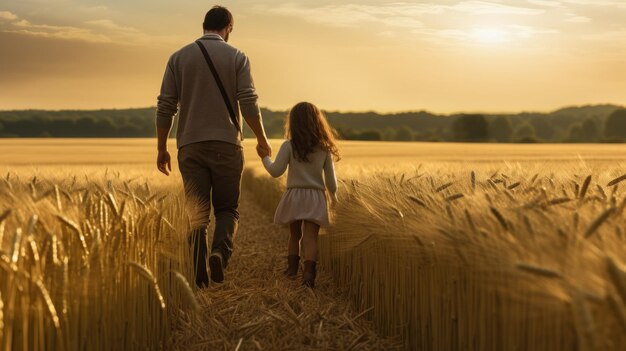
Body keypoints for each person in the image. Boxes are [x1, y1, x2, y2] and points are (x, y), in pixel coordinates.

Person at [155, 5, 272, 287]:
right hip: (227, 144)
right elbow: (248, 101)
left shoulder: (178, 58)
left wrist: (161, 147)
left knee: (197, 212)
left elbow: (165, 107)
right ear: (228, 27)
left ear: (203, 25)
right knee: (227, 209)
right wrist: (261, 137)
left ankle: (198, 272)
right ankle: (220, 251)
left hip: (190, 146)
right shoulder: (237, 57)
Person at [258, 102, 339, 288]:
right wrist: (334, 198)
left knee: (294, 236)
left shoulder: (288, 146)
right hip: (315, 198)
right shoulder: (324, 148)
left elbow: (275, 171)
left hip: (294, 196)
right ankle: (309, 275)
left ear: (293, 123)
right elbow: (331, 181)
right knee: (311, 238)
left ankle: (291, 269)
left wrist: (264, 157)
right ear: (318, 122)